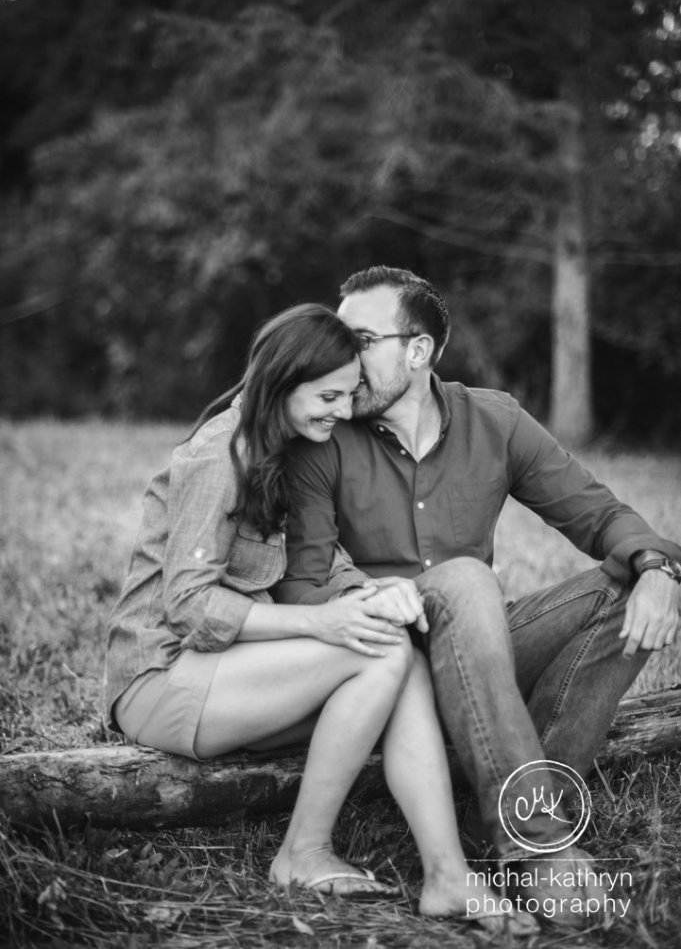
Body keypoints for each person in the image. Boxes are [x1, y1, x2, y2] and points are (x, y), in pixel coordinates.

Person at [104, 303, 536, 936]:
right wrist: (322, 625)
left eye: (350, 393)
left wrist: (369, 594)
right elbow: (190, 607)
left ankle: (448, 877)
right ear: (282, 383)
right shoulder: (218, 456)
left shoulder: (288, 450)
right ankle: (303, 852)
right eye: (328, 395)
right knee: (377, 651)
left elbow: (321, 563)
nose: (343, 410)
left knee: (393, 648)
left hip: (232, 678)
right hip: (160, 680)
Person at [277, 267, 681, 928]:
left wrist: (660, 568)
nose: (339, 359)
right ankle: (538, 844)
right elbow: (303, 580)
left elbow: (599, 516)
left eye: (360, 339)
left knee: (625, 584)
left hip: (480, 656)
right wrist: (385, 593)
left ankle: (511, 819)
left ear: (417, 350)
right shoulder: (325, 431)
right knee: (464, 579)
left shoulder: (493, 419)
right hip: (384, 670)